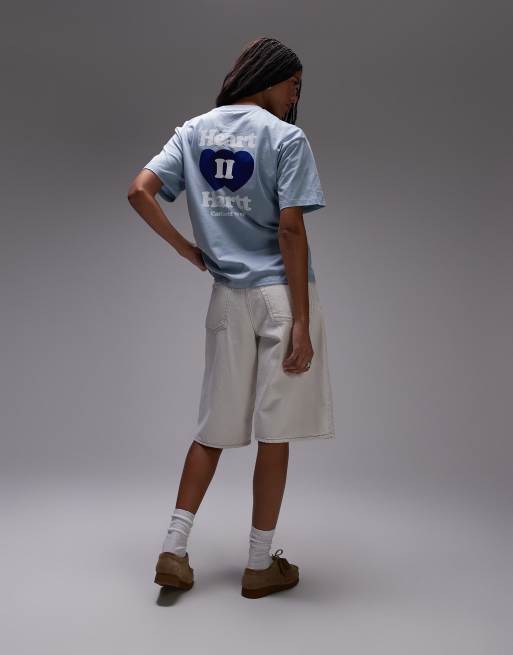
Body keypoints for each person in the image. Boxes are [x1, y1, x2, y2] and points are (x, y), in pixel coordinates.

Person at [127, 36, 335, 599]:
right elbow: (290, 229)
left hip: (225, 298)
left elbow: (141, 191)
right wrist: (300, 321)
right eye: (294, 84)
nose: (295, 96)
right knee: (276, 432)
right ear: (269, 77)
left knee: (212, 431)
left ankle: (174, 549)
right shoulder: (286, 138)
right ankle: (259, 565)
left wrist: (186, 249)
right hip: (280, 296)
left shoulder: (192, 131)